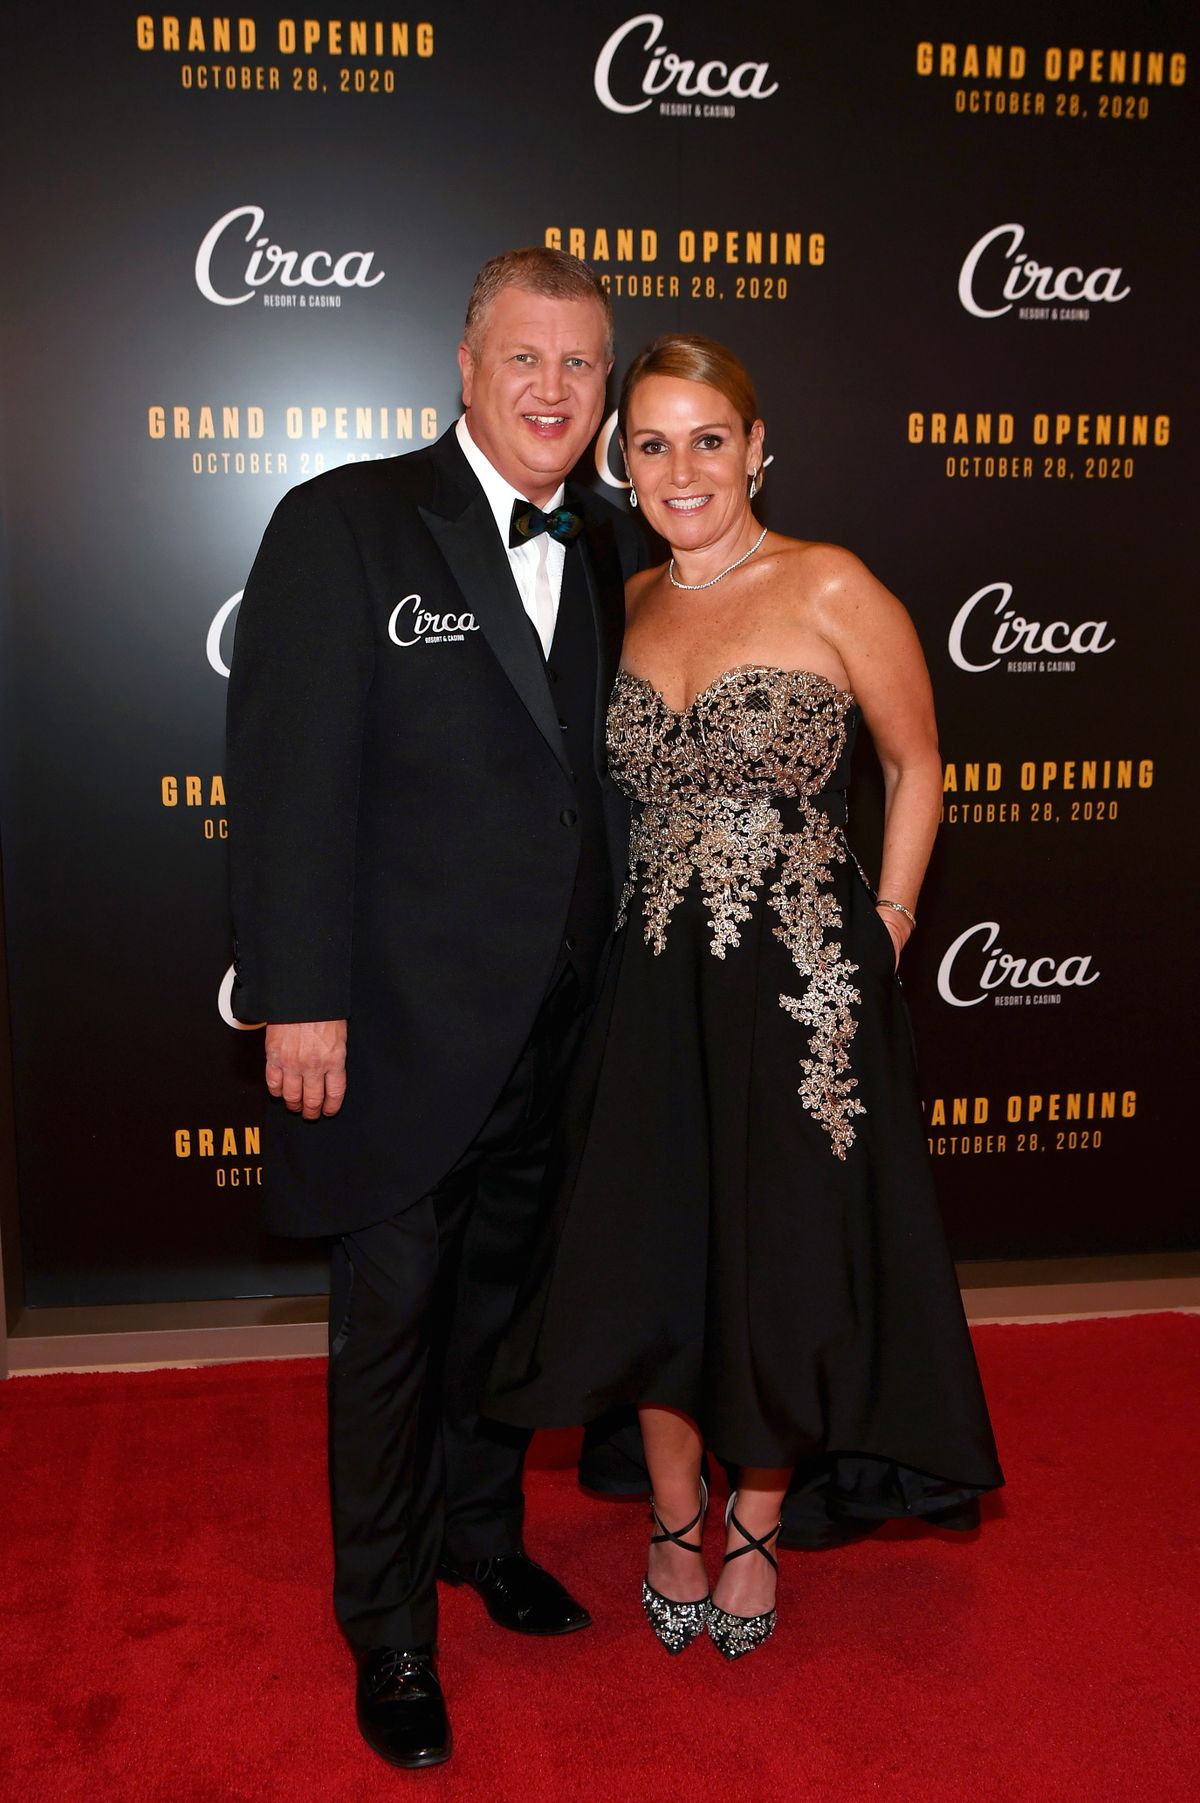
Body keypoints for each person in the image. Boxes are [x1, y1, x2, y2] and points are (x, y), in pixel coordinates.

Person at [487, 333, 1004, 1661]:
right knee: (654, 1254)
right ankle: (674, 1514)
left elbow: (918, 760)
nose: (681, 468)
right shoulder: (627, 598)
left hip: (805, 993)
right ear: (620, 462)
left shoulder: (831, 585)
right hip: (649, 986)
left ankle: (759, 1523)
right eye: (650, 443)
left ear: (758, 448)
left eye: (707, 439)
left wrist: (886, 924)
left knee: (778, 1261)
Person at [225, 247, 646, 1768]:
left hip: (555, 1023)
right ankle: (390, 1625)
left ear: (604, 393)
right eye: (523, 357)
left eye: (580, 365)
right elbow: (285, 785)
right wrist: (298, 999)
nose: (551, 388)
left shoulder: (602, 543)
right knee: (392, 1340)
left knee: (502, 1319)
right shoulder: (344, 524)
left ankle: (483, 1535)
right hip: (392, 1024)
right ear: (464, 369)